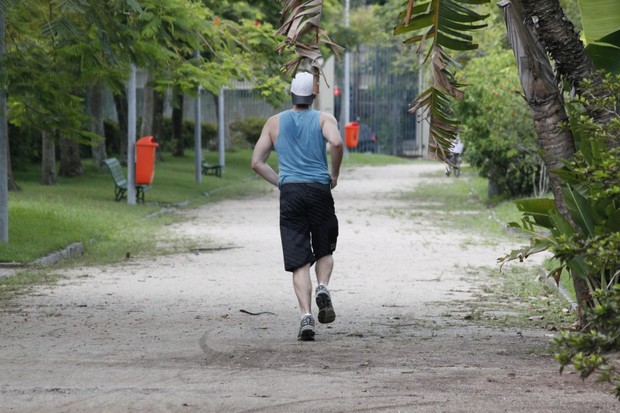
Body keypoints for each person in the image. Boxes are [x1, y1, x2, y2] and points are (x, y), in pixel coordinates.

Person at [251, 72, 344, 341]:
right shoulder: (325, 119)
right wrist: (334, 174)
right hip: (319, 190)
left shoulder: (274, 122)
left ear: (291, 94)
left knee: (299, 260)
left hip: (290, 193)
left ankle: (306, 317)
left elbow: (257, 162)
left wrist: (281, 181)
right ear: (313, 96)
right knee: (324, 247)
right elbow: (336, 142)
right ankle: (323, 287)